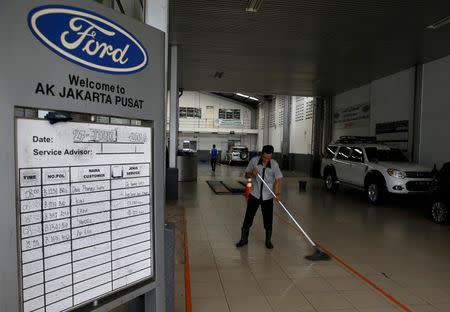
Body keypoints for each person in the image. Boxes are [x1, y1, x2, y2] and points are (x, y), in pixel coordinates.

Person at [236, 145, 283, 249]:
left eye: (269, 157)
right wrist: (252, 174)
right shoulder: (254, 161)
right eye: (265, 157)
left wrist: (278, 193)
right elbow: (246, 175)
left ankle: (268, 240)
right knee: (248, 217)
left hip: (268, 196)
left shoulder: (274, 164)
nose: (267, 159)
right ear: (262, 154)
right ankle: (244, 239)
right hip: (255, 195)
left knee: (268, 219)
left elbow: (278, 180)